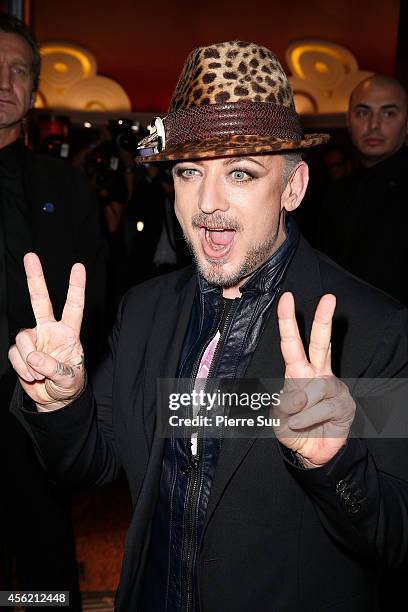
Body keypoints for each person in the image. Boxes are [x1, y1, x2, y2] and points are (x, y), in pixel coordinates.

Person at [8, 41, 408, 612]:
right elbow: (89, 463)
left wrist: (334, 464)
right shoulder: (145, 311)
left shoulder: (369, 330)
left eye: (241, 173)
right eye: (190, 171)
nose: (208, 203)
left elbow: (394, 538)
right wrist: (59, 402)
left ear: (292, 188)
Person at [0, 13, 106, 608]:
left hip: (37, 411)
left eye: (18, 71)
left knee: (43, 577)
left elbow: (95, 291)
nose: (4, 82)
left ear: (34, 89)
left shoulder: (65, 189)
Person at [317, 75, 408, 305]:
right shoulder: (334, 194)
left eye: (388, 113)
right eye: (363, 113)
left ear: (406, 123)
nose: (374, 125)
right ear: (349, 121)